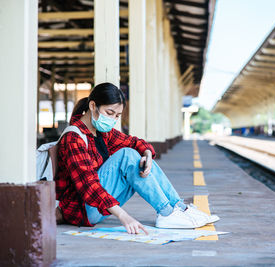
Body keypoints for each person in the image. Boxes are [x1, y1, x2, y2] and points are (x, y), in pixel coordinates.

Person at [55, 82, 219, 234]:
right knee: (127, 155)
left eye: (117, 116)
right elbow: (88, 187)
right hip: (83, 209)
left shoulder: (102, 133)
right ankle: (166, 213)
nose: (112, 120)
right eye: (109, 113)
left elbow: (135, 142)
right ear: (93, 106)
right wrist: (123, 216)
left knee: (140, 157)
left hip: (98, 207)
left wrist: (147, 154)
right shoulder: (73, 137)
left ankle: (179, 208)